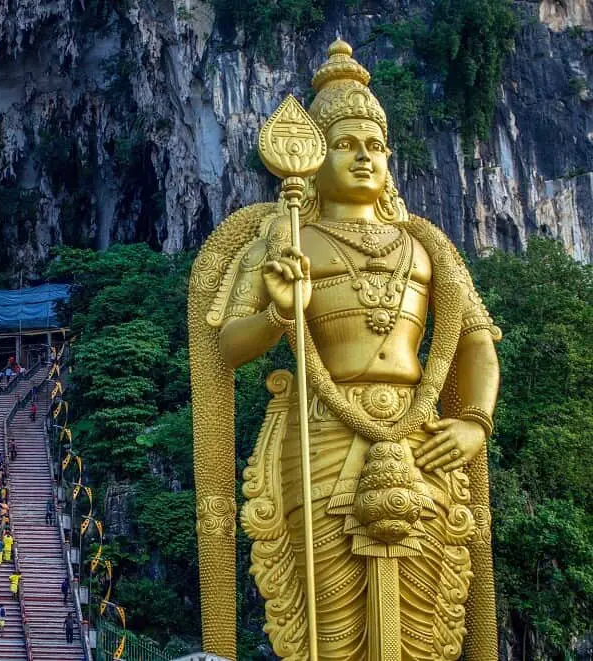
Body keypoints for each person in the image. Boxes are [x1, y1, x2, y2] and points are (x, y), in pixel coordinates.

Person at [189, 40, 504, 660]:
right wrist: (281, 310)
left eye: (374, 146)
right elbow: (226, 346)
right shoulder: (287, 235)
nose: (363, 157)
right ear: (311, 157)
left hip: (422, 438)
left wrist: (475, 422)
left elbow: (476, 342)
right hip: (322, 430)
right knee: (327, 626)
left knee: (427, 615)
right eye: (345, 144)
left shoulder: (428, 244)